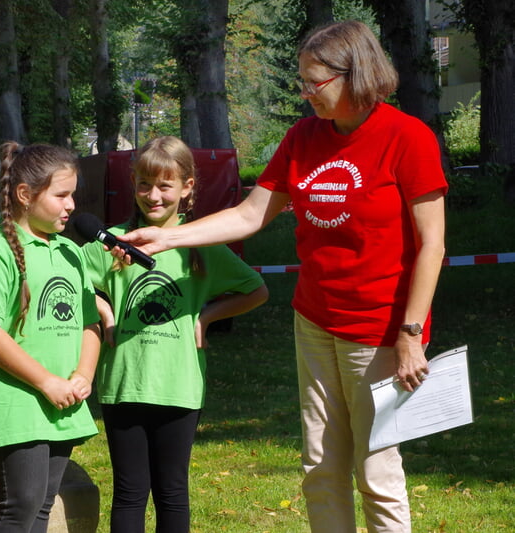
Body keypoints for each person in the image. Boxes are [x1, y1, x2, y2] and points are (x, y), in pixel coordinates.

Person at [113, 20, 448, 533]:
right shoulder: (303, 137)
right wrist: (167, 237)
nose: (305, 93)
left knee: (376, 470)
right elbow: (251, 214)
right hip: (315, 321)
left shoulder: (408, 137)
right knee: (319, 466)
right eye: (302, 81)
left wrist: (410, 334)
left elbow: (432, 246)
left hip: (379, 329)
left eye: (315, 82)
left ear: (354, 74)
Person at [81, 135, 268, 533]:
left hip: (179, 386)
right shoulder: (113, 243)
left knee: (172, 492)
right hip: (123, 384)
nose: (153, 196)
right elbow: (73, 281)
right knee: (129, 493)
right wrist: (105, 311)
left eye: (165, 185)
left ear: (187, 187)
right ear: (132, 184)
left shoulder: (203, 246)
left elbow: (257, 290)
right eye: (144, 184)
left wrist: (207, 317)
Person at [0, 141, 101, 533]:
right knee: (20, 506)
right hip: (20, 403)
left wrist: (83, 376)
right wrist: (44, 381)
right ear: (25, 195)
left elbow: (90, 323)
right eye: (61, 195)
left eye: (72, 194)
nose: (71, 205)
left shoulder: (71, 253)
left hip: (63, 401)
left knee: (41, 505)